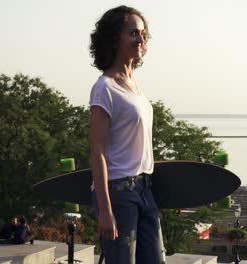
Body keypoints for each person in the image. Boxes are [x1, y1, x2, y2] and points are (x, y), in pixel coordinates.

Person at [88, 5, 163, 264]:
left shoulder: (135, 86)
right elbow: (96, 151)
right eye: (133, 33)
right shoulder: (104, 88)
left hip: (145, 189)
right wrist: (105, 210)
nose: (140, 40)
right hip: (119, 193)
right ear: (113, 38)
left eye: (143, 34)